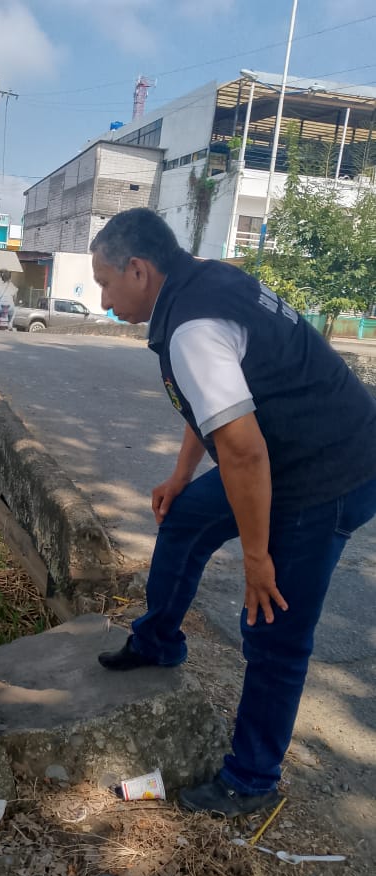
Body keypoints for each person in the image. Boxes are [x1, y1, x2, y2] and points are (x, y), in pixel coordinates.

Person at [90, 208, 376, 818]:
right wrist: (181, 476)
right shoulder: (203, 281)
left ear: (138, 270)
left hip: (327, 471)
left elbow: (243, 452)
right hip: (280, 452)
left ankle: (252, 780)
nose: (105, 301)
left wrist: (256, 556)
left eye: (106, 284)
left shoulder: (193, 326)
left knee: (273, 625)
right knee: (186, 517)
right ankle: (158, 641)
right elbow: (218, 406)